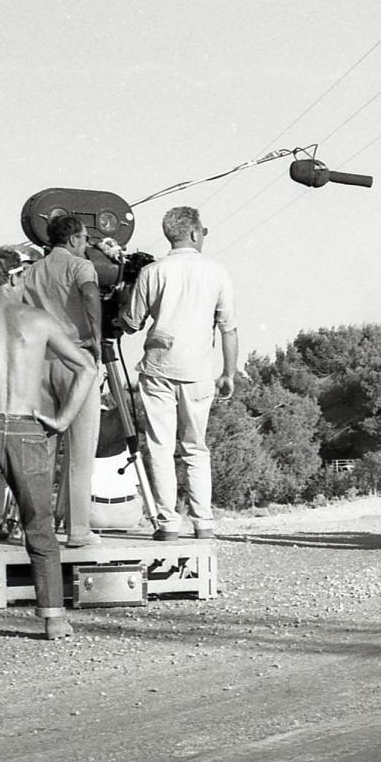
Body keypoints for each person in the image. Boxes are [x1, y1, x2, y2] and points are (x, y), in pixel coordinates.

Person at [0, 248, 96, 646]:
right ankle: (54, 620)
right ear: (13, 276)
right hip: (27, 428)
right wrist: (61, 420)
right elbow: (87, 368)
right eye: (23, 275)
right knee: (39, 527)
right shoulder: (39, 320)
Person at [120, 206, 237, 541]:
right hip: (199, 371)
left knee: (159, 446)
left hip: (158, 368)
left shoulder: (153, 272)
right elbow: (229, 328)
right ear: (195, 233)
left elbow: (131, 322)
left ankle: (168, 522)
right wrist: (228, 372)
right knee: (196, 448)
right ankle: (204, 523)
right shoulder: (217, 272)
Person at [23, 215, 103, 547]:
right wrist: (96, 337)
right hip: (75, 357)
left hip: (40, 361)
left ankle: (37, 529)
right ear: (72, 240)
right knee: (80, 452)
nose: (86, 244)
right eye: (84, 238)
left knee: (42, 451)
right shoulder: (80, 267)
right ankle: (78, 529)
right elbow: (90, 294)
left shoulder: (31, 272)